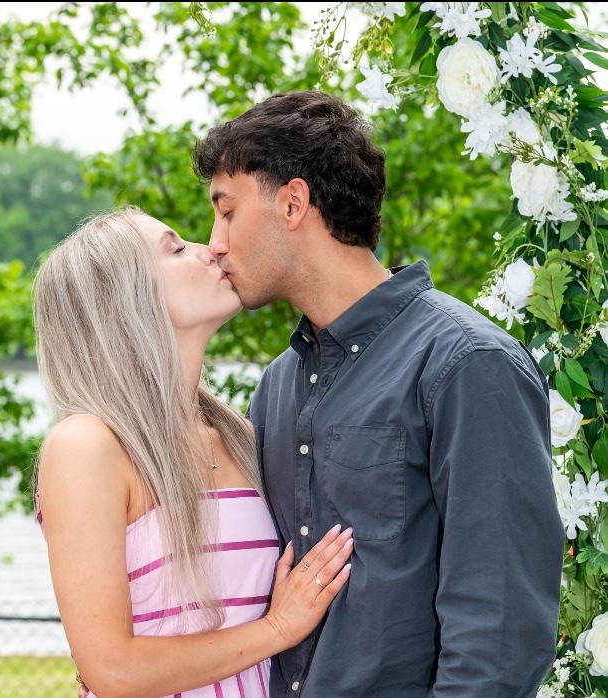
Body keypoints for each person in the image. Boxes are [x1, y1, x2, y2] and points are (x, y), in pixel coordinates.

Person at [190, 90, 566, 697]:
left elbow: (499, 638)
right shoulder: (277, 387)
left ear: (293, 203)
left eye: (227, 212)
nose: (215, 241)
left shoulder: (468, 364)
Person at [33, 208, 353, 698]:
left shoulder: (239, 435)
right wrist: (276, 629)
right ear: (124, 300)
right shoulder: (88, 446)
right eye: (177, 249)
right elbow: (112, 671)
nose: (213, 249)